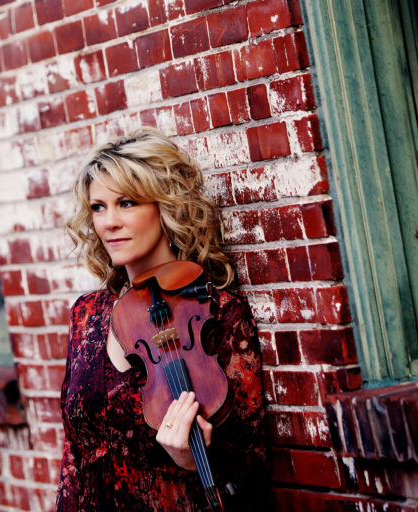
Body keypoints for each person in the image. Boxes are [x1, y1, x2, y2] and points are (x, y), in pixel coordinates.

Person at [57, 127, 267, 511]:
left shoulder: (215, 314)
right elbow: (74, 459)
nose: (109, 223)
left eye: (127, 203)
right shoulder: (88, 315)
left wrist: (192, 462)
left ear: (164, 206)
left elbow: (250, 468)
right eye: (98, 207)